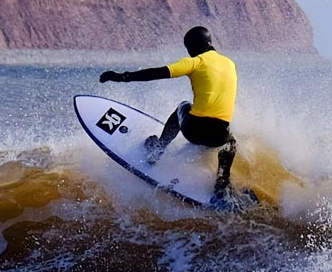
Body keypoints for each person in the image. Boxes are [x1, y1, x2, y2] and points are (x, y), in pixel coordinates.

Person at [99, 25, 239, 198]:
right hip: (218, 136)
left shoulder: (196, 61)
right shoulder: (230, 64)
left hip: (195, 131)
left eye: (189, 50)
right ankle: (222, 182)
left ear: (193, 47)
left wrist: (121, 77)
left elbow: (156, 73)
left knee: (182, 106)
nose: (189, 54)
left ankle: (157, 150)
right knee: (231, 142)